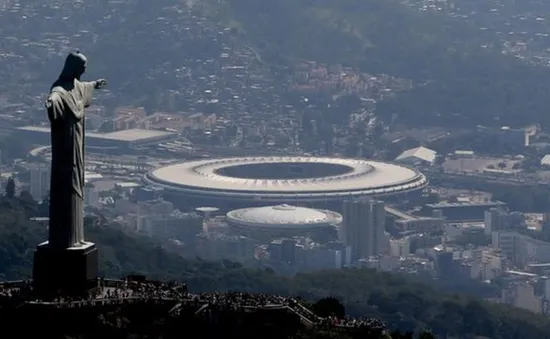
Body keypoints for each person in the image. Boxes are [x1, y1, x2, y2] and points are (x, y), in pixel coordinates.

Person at [46, 51, 107, 249]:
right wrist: (52, 102)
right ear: (72, 67)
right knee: (66, 185)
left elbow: (84, 87)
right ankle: (65, 239)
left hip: (77, 143)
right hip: (66, 146)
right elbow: (55, 96)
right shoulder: (61, 90)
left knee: (77, 183)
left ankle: (76, 237)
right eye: (81, 68)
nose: (83, 71)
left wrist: (95, 84)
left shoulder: (76, 86)